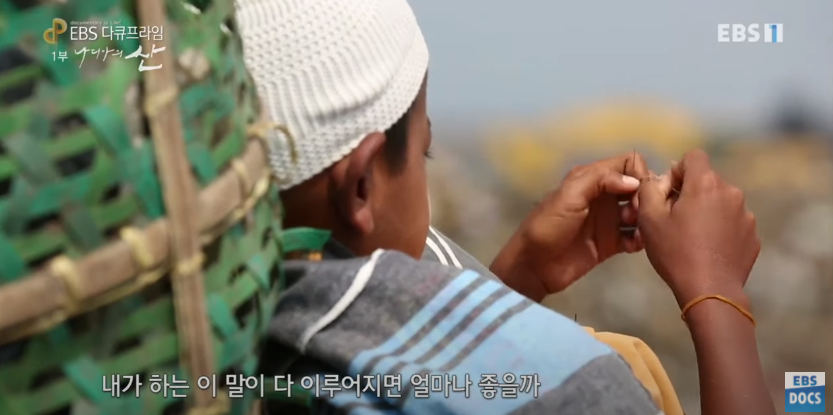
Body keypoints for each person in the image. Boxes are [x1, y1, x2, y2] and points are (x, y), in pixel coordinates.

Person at [235, 1, 777, 414]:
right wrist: (718, 293)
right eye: (424, 151)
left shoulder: (234, 342)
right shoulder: (580, 395)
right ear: (359, 190)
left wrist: (520, 274)